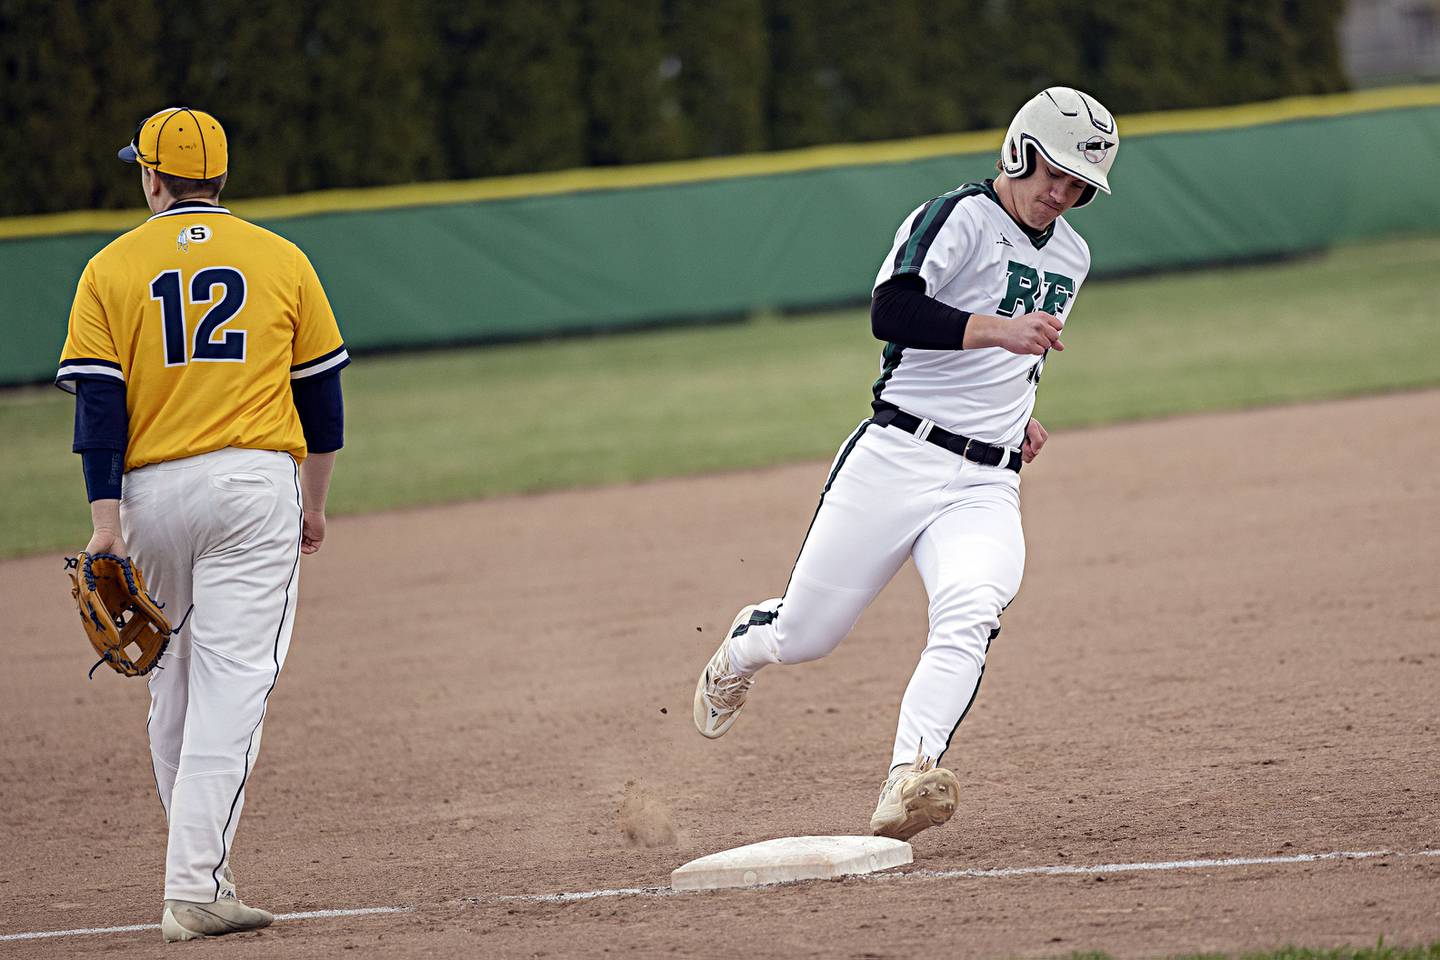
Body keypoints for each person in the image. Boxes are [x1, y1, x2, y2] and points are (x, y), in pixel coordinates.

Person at [693, 87, 1119, 841]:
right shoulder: (957, 217)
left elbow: (1022, 355)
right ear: (1018, 150)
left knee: (971, 611)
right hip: (895, 456)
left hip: (987, 482)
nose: (1062, 194)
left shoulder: (1074, 256)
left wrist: (1018, 414)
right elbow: (891, 311)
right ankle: (743, 648)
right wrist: (997, 333)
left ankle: (909, 776)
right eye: (1053, 171)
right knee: (807, 636)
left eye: (1079, 185)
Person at [56, 107, 349, 941]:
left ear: (152, 178)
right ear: (221, 178)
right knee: (231, 684)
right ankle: (194, 884)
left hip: (149, 495)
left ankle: (198, 869)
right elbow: (322, 400)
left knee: (173, 682)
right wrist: (317, 504)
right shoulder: (282, 258)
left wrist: (103, 524)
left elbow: (100, 410)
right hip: (256, 485)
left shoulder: (109, 266)